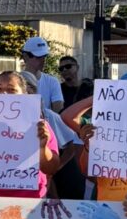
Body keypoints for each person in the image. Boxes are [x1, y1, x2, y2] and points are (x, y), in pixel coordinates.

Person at [0, 71, 60, 198]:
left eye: (11, 90)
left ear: (25, 95)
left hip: (25, 200)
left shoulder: (39, 127)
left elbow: (51, 169)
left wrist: (42, 149)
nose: (3, 94)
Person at [21, 70, 84, 199]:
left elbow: (71, 144)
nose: (26, 90)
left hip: (53, 179)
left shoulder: (48, 116)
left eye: (30, 86)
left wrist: (55, 168)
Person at [20, 37, 64, 113]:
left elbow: (58, 113)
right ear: (25, 56)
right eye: (38, 57)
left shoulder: (53, 82)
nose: (43, 60)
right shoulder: (13, 82)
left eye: (44, 56)